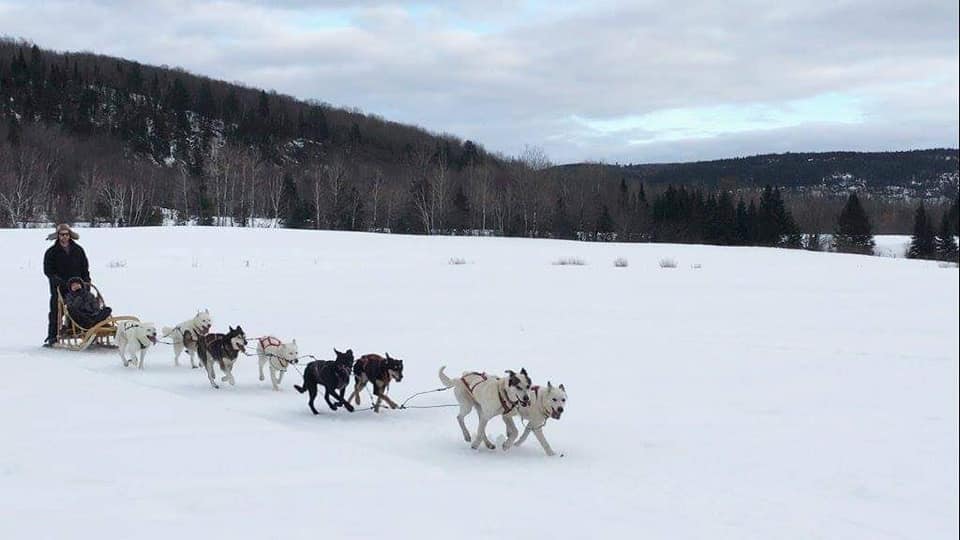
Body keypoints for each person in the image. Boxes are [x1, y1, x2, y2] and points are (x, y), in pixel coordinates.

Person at [43, 224, 91, 346]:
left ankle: (86, 330)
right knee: (56, 311)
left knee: (85, 307)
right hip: (59, 288)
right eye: (62, 234)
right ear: (58, 236)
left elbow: (85, 268)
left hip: (78, 287)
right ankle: (52, 337)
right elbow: (48, 271)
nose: (64, 237)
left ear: (70, 236)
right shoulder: (51, 252)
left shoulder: (78, 250)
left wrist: (87, 282)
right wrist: (58, 281)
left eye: (67, 234)